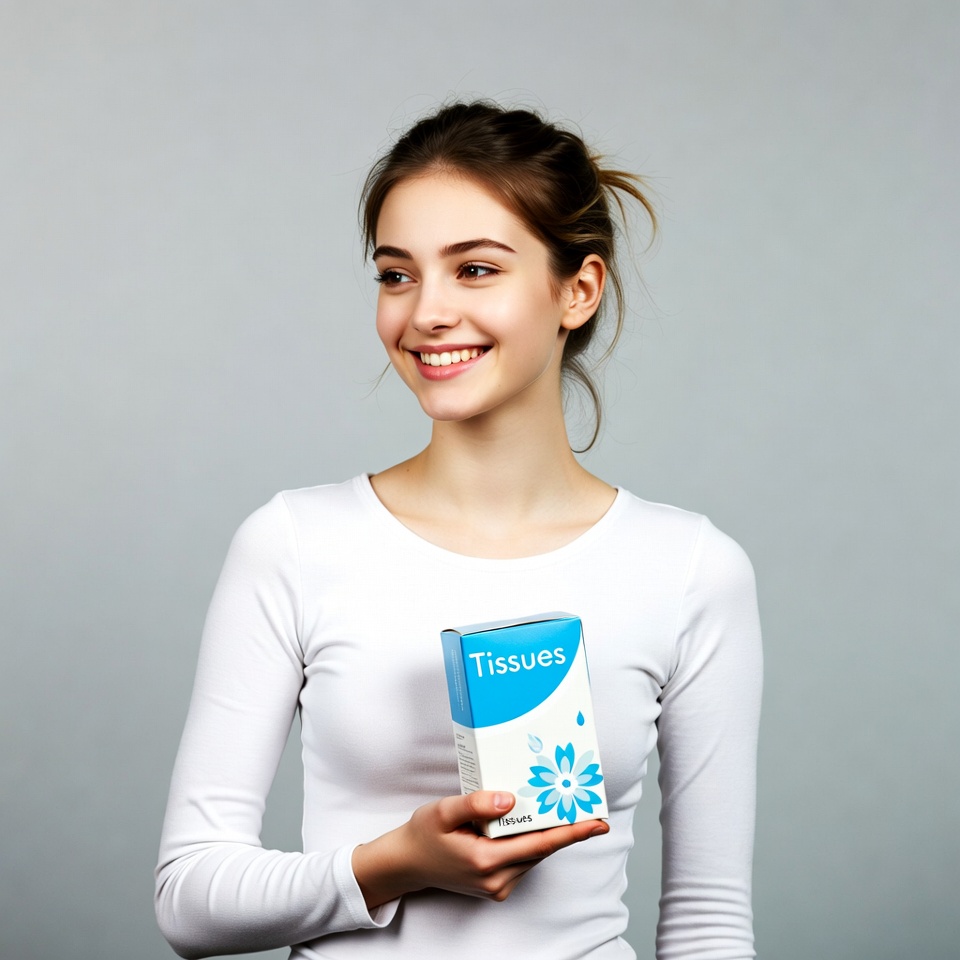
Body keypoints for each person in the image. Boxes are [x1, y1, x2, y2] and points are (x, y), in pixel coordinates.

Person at [155, 101, 763, 960]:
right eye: (397, 275)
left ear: (577, 290)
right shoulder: (295, 543)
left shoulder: (691, 569)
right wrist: (395, 863)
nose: (426, 313)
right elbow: (189, 899)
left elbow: (709, 926)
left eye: (475, 269)